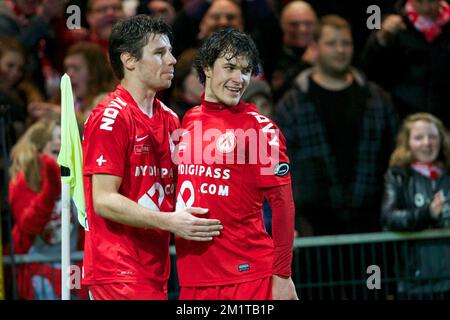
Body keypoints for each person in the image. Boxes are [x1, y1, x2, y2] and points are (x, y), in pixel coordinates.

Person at [81, 15, 222, 300]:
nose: (171, 60)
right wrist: (170, 221)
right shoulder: (111, 118)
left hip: (155, 269)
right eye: (159, 53)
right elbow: (103, 199)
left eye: (169, 51)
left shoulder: (170, 118)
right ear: (129, 61)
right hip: (118, 270)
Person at [174, 28, 298, 300]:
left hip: (248, 277)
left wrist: (282, 276)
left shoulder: (260, 130)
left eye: (245, 70)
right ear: (207, 67)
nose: (238, 79)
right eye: (229, 67)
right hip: (193, 278)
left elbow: (283, 206)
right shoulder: (188, 121)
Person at [274, 15, 399, 236]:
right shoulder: (293, 103)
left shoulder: (377, 98)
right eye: (331, 43)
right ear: (315, 46)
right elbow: (280, 164)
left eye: (346, 43)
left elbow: (394, 155)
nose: (340, 50)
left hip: (372, 220)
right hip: (314, 224)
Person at [8, 119, 85, 300]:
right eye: (55, 138)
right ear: (40, 146)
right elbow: (29, 225)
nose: (60, 143)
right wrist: (50, 188)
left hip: (72, 266)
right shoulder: (22, 180)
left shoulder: (74, 176)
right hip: (39, 270)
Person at [381, 112, 450, 299]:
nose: (427, 143)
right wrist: (427, 213)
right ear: (407, 143)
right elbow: (389, 217)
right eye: (419, 137)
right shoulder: (398, 177)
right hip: (415, 282)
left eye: (433, 136)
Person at [360, 0, 450, 128]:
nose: (427, 8)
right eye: (420, 2)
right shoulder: (392, 22)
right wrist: (382, 40)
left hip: (444, 121)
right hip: (402, 118)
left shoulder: (447, 27)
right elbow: (368, 70)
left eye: (432, 1)